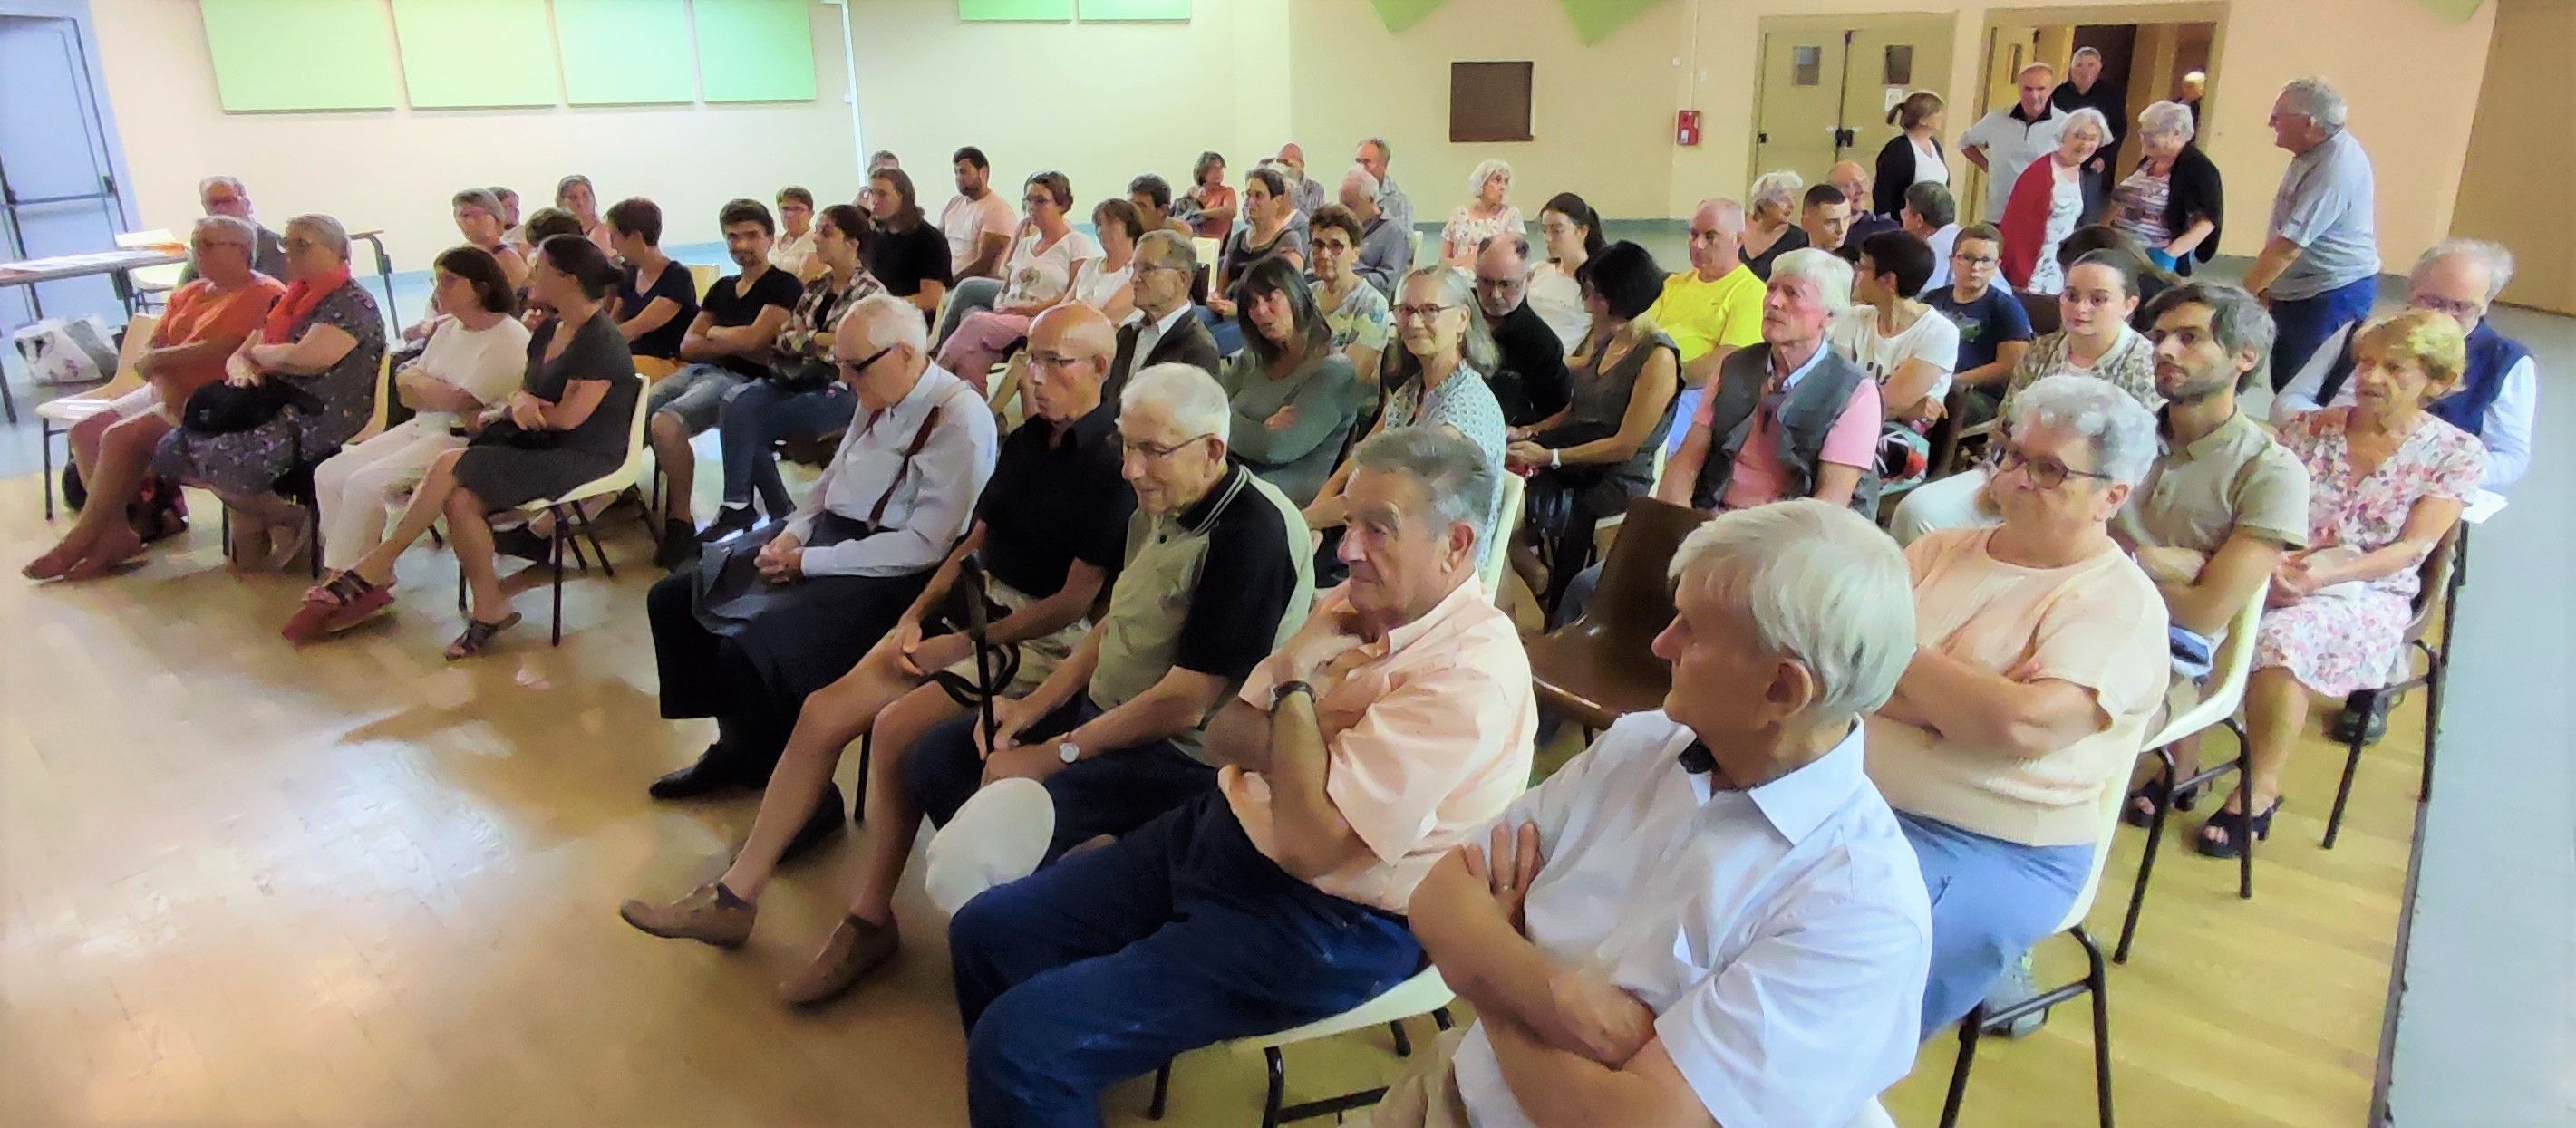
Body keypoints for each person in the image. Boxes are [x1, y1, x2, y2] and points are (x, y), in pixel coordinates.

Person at [945, 425, 1531, 1127]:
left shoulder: (1467, 678)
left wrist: (1294, 690)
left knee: (1020, 1046)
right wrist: (1308, 742)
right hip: (1223, 829)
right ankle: (1052, 1080)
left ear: (1457, 544)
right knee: (984, 933)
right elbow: (1225, 734)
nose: (1346, 551)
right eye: (1349, 523)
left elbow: (1313, 843)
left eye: (1379, 530)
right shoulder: (1354, 605)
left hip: (1324, 919)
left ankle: (1042, 1066)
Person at [616, 306, 1144, 969]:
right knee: (821, 710)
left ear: (1099, 367)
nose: (1033, 377)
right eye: (1028, 359)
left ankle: (870, 916)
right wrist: (917, 616)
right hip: (974, 607)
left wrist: (962, 641)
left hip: (1041, 634)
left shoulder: (1113, 462)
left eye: (1052, 363)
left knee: (895, 727)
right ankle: (735, 896)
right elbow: (973, 542)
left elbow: (1076, 600)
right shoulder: (1028, 439)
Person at [1380, 500, 1932, 1128]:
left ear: (1782, 689)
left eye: (1691, 629)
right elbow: (1437, 899)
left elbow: (1620, 1123)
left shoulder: (1857, 909)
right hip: (1457, 1091)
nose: (1660, 643)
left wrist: (1490, 969)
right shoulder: (1642, 742)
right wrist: (1566, 1003)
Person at [1869, 373, 2169, 1036]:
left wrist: (1905, 660)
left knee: (1849, 946)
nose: (2018, 477)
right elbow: (1844, 664)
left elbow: (2020, 725)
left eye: (2050, 468)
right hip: (1855, 794)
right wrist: (1961, 695)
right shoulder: (1937, 550)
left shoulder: (2118, 602)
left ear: (2111, 496)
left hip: (1994, 842)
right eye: (2012, 454)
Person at [640, 294, 998, 805]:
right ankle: (739, 747)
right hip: (829, 539)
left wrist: (809, 560)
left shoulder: (958, 420)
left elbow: (925, 545)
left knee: (749, 645)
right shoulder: (879, 394)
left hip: (893, 574)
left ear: (904, 355)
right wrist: (790, 534)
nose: (845, 379)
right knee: (675, 600)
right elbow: (833, 479)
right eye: (842, 365)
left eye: (854, 367)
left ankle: (808, 797)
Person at [285, 235, 640, 657]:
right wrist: (522, 404)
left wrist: (519, 409)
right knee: (459, 501)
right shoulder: (550, 328)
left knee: (452, 462)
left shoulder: (600, 339)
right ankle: (489, 607)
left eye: (540, 266)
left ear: (567, 278)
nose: (530, 271)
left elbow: (568, 418)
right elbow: (526, 394)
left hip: (581, 453)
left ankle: (377, 564)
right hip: (539, 442)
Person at [2223, 311, 2482, 857]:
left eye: (2395, 368)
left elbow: (2411, 549)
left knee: (2283, 640)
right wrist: (2271, 564)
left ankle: (2259, 789)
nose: (2372, 377)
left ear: (2435, 383)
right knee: (2190, 609)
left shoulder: (2456, 454)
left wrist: (2328, 573)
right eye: (2365, 362)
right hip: (2281, 563)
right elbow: (2259, 511)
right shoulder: (2308, 431)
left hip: (2369, 588)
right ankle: (2184, 761)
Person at [2111, 283, 2308, 822]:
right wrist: (2145, 561)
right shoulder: (2118, 430)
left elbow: (2204, 613)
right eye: (2161, 337)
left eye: (2190, 338)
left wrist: (2114, 558)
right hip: (2075, 605)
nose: (2165, 351)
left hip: (2168, 650)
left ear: (2245, 358)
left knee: (2058, 733)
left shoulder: (2271, 472)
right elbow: (2047, 531)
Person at [23, 216, 285, 581]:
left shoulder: (264, 292)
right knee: (85, 430)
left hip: (208, 401)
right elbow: (156, 342)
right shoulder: (191, 292)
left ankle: (80, 539)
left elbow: (223, 350)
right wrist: (156, 359)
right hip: (164, 388)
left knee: (119, 436)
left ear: (241, 251)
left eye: (208, 244)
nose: (198, 251)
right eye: (196, 243)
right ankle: (115, 534)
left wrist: (160, 359)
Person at [150, 213, 383, 572]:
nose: (290, 253)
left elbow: (309, 359)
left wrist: (259, 357)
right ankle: (277, 517)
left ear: (339, 250)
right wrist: (243, 369)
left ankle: (283, 520)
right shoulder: (289, 300)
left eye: (301, 245)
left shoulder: (351, 303)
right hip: (271, 401)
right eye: (286, 245)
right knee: (174, 448)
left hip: (322, 410)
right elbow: (240, 355)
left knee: (226, 457)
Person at [1893, 250, 2157, 544]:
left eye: (2098, 299)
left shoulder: (2145, 365)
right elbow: (2007, 422)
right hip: (2013, 471)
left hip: (2080, 493)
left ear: (2128, 305)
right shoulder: (2042, 350)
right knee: (1917, 511)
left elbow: (2128, 459)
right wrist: (2002, 476)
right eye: (2071, 295)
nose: (2080, 308)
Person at [305, 248, 530, 584]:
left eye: (449, 281)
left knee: (365, 484)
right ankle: (350, 570)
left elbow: (459, 402)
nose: (439, 290)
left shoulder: (507, 337)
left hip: (462, 440)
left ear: (481, 288)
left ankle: (355, 579)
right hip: (424, 424)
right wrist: (427, 387)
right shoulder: (449, 329)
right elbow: (405, 388)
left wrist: (424, 385)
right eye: (436, 280)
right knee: (328, 473)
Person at [2276, 238, 2534, 492]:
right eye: (2431, 301)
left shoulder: (2507, 361)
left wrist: (2422, 465)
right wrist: (2331, 432)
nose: (2443, 314)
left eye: (2461, 307)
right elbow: (2288, 401)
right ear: (2410, 291)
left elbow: (2510, 458)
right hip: (2318, 465)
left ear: (2485, 306)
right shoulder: (2360, 333)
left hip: (2417, 489)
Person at [1508, 241, 1680, 611]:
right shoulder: (1610, 338)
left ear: (1618, 299)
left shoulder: (1657, 358)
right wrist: (1529, 431)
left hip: (1615, 476)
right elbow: (1576, 408)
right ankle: (1540, 581)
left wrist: (1550, 455)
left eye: (1594, 296)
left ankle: (1548, 590)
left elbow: (1625, 445)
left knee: (1517, 506)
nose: (1587, 303)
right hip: (1578, 458)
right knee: (1501, 491)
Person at [700, 203, 887, 541]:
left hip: (840, 389)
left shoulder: (871, 294)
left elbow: (852, 350)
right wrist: (820, 340)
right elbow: (784, 338)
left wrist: (810, 339)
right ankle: (745, 504)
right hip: (792, 377)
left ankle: (769, 510)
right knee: (735, 402)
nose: (816, 238)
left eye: (826, 232)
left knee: (746, 424)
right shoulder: (815, 288)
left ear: (853, 242)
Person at [1307, 266, 1508, 574]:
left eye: (1430, 310)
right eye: (1406, 310)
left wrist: (1306, 520)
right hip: (1389, 532)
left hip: (1437, 564)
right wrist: (1313, 519)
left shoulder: (1464, 408)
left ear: (1463, 320)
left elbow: (1395, 500)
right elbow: (1360, 456)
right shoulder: (1413, 389)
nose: (1414, 322)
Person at [1661, 248, 1881, 516]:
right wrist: (1677, 523)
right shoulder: (1734, 366)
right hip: (1714, 518)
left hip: (1792, 533)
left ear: (1829, 316)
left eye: (1792, 293)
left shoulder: (1855, 391)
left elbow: (1829, 503)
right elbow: (1686, 461)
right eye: (1771, 289)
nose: (1773, 302)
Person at [645, 200, 800, 558]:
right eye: (733, 237)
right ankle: (608, 498)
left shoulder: (782, 285)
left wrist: (715, 334)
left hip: (745, 382)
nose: (741, 245)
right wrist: (732, 337)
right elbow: (688, 344)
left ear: (769, 238)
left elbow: (755, 341)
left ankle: (679, 521)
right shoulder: (722, 288)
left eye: (751, 236)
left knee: (666, 424)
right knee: (638, 411)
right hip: (700, 371)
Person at [2242, 78, 2380, 388]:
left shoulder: (2336, 165)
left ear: (2308, 123)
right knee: (2285, 378)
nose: (2270, 122)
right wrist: (2269, 288)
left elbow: (2289, 246)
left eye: (2278, 117)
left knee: (2305, 387)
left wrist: (2240, 296)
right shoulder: (2311, 151)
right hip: (2300, 289)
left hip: (2331, 293)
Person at [935, 171, 1103, 390]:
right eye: (1029, 200)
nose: (1032, 207)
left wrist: (1023, 311)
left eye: (1041, 201)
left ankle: (935, 376)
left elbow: (1073, 296)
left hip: (1039, 321)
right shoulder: (1026, 243)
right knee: (970, 360)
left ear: (1062, 205)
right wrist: (1002, 304)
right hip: (1009, 316)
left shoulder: (1075, 243)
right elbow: (1005, 284)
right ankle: (980, 417)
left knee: (976, 320)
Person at [1215, 258, 1361, 506]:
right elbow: (1205, 406)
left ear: (1295, 295)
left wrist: (1224, 417)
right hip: (1228, 481)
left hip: (1276, 503)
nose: (1260, 311)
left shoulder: (1334, 373)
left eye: (1271, 298)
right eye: (1252, 304)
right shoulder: (1253, 359)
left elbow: (1275, 448)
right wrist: (1257, 427)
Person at [1835, 231, 1961, 487]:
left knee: (1844, 467)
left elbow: (1888, 405)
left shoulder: (1939, 332)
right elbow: (1832, 385)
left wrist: (1899, 408)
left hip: (1901, 441)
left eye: (1863, 267)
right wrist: (1910, 408)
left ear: (1888, 280)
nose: (1856, 276)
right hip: (1844, 424)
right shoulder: (1854, 318)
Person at [1649, 198, 1767, 450]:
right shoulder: (1673, 284)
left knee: (1654, 443)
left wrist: (1667, 378)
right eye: (1693, 234)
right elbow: (1641, 332)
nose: (1698, 245)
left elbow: (1729, 359)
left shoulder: (1750, 291)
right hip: (1650, 380)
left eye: (1710, 237)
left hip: (1695, 392)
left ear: (1739, 239)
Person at [2106, 101, 2223, 276]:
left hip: (2154, 259)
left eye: (2151, 133)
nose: (2144, 138)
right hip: (2122, 251)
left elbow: (2208, 221)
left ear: (2176, 133)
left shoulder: (2199, 168)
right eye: (2142, 132)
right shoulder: (2150, 161)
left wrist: (2169, 255)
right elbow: (2122, 201)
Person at [2000, 107, 2110, 295]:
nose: (2085, 144)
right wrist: (2017, 273)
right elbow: (2016, 227)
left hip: (2064, 268)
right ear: (2064, 136)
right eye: (2079, 136)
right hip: (2032, 268)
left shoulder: (2085, 176)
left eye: (2092, 138)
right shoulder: (2039, 172)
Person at [1104, 231, 1220, 404]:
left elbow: (1182, 425)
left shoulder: (1198, 350)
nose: (1134, 279)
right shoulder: (1128, 334)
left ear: (1182, 279)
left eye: (1147, 269)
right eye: (1134, 269)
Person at [1475, 233, 1574, 431]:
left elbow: (1559, 414)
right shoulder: (1454, 311)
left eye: (1506, 284)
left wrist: (1526, 432)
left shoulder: (1542, 343)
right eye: (1485, 281)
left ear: (1528, 280)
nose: (1495, 295)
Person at [1205, 167, 1309, 354]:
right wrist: (1215, 298)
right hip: (1223, 312)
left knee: (1206, 344)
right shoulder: (1238, 239)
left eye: (1259, 196)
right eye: (1248, 195)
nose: (1250, 202)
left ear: (1277, 201)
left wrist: (1239, 310)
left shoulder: (1287, 241)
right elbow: (1221, 287)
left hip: (1256, 318)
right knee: (1185, 329)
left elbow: (1287, 297)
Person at [1927, 222, 2034, 402]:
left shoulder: (2006, 307)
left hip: (1975, 395)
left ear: (1996, 265)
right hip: (1928, 383)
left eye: (1985, 260)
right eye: (1967, 258)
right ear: (1953, 260)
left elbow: (2010, 365)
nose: (1976, 268)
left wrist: (1952, 381)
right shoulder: (1932, 300)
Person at [1959, 63, 2068, 224]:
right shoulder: (1997, 119)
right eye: (2028, 89)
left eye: (2041, 89)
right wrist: (1989, 167)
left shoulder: (2065, 124)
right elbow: (1965, 143)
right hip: (1999, 212)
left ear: (2051, 89)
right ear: (2019, 89)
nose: (2034, 95)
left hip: (2041, 215)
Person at [1308, 204, 1395, 391]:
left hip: (1345, 407)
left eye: (1336, 246)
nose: (1324, 254)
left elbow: (1351, 378)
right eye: (1318, 245)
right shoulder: (1305, 296)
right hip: (1300, 395)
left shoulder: (1371, 305)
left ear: (1355, 253)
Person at [605, 197, 698, 363]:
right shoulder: (628, 273)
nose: (612, 246)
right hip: (634, 360)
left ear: (635, 237)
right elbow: (614, 321)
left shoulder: (677, 278)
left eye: (614, 237)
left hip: (669, 363)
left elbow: (636, 328)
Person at [862, 167, 954, 322]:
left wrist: (884, 307)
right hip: (880, 315)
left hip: (911, 321)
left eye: (882, 194)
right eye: (871, 193)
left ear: (903, 198)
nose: (874, 200)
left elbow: (931, 299)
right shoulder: (876, 235)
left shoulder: (928, 240)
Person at [2051, 47, 2128, 218]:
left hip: (2093, 162)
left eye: (2091, 65)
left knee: (2088, 212)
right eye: (2079, 66)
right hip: (2063, 161)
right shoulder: (2059, 94)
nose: (2085, 71)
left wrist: (2105, 158)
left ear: (2099, 68)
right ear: (2071, 70)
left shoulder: (2110, 95)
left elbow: (2119, 129)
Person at [1527, 191, 1603, 355]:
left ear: (1582, 231)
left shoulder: (1596, 284)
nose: (1548, 238)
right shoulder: (1537, 271)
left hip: (1558, 362)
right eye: (1544, 230)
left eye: (1557, 230)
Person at [176, 176, 288, 284]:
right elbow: (183, 288)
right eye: (213, 202)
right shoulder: (204, 243)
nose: (220, 208)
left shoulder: (269, 243)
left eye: (228, 201)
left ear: (246, 204)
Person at [941, 146, 1019, 284]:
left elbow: (982, 265)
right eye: (956, 173)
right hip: (946, 280)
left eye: (963, 172)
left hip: (972, 286)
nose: (958, 178)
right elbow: (937, 241)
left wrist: (948, 283)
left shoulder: (997, 210)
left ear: (983, 172)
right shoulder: (953, 203)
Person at [1876, 90, 1951, 220]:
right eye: (1937, 113)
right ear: (1923, 120)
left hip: (1935, 221)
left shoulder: (1934, 145)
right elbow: (1885, 192)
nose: (1942, 117)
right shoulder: (1898, 150)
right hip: (1908, 221)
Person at [1340, 168, 1411, 299]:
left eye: (1350, 206)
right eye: (1342, 205)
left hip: (1367, 299)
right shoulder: (1340, 226)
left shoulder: (1394, 232)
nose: (1345, 211)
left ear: (1371, 200)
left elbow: (1387, 281)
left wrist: (1349, 281)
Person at [1440, 159, 1523, 269]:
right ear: (1481, 183)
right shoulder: (1459, 215)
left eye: (1506, 182)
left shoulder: (1510, 216)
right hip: (1459, 280)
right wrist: (1463, 261)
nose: (1503, 187)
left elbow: (1516, 259)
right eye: (1497, 180)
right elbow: (1442, 262)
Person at [448, 188, 529, 293]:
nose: (467, 222)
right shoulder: (465, 252)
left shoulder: (506, 256)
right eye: (461, 216)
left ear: (494, 217)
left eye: (473, 215)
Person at [1738, 171, 1809, 280]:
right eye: (1784, 199)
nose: (1792, 205)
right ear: (1763, 202)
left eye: (1793, 198)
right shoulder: (1735, 225)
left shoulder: (1798, 239)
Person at [1904, 181, 1963, 294]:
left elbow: (1925, 297)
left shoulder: (1930, 249)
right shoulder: (1961, 234)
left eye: (1906, 213)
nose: (1903, 219)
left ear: (1919, 220)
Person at [1830, 161, 1896, 253]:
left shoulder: (1886, 230)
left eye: (1864, 182)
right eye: (1852, 184)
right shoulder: (1822, 230)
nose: (1861, 190)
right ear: (1833, 190)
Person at [1356, 135, 1416, 237]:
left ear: (1384, 165)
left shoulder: (1399, 201)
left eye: (1367, 162)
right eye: (1358, 162)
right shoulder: (1350, 193)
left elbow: (1405, 244)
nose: (1361, 168)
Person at [1182, 149, 1237, 240]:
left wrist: (1200, 214)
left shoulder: (1227, 192)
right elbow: (1179, 210)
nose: (1219, 172)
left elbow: (1231, 211)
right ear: (1203, 171)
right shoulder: (1192, 191)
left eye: (1220, 168)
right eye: (1215, 168)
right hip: (1189, 240)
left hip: (1213, 244)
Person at [770, 186, 821, 282]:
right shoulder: (772, 242)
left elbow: (803, 282)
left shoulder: (816, 243)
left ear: (811, 214)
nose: (790, 214)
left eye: (797, 209)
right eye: (785, 209)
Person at [555, 175, 614, 255]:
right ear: (561, 202)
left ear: (593, 198)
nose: (580, 202)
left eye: (585, 195)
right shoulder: (556, 236)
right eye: (573, 197)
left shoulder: (609, 232)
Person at [1126, 173, 1194, 236]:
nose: (1133, 213)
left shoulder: (1179, 239)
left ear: (1163, 211)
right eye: (1130, 206)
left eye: (1140, 208)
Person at [1273, 142, 1329, 217]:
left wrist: (1293, 185)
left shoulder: (1316, 189)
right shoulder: (1272, 186)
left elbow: (1312, 219)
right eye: (1280, 162)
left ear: (1301, 165)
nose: (1283, 168)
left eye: (1288, 164)